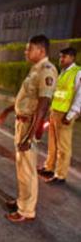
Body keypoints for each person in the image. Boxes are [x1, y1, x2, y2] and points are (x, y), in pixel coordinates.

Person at [0, 35, 58, 223]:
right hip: (22, 122)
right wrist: (9, 110)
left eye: (29, 49)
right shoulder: (35, 69)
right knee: (22, 167)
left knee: (27, 170)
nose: (26, 52)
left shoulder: (47, 70)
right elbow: (26, 98)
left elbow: (43, 105)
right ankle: (22, 201)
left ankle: (26, 211)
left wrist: (29, 137)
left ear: (40, 50)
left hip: (29, 125)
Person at [38, 47, 81, 184]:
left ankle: (60, 175)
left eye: (64, 57)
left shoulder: (77, 72)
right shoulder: (62, 72)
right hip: (55, 112)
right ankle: (49, 167)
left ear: (72, 58)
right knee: (52, 143)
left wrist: (71, 114)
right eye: (60, 56)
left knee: (63, 147)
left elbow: (80, 96)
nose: (61, 59)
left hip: (65, 114)